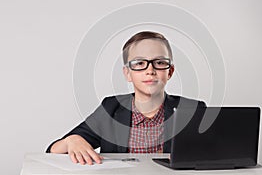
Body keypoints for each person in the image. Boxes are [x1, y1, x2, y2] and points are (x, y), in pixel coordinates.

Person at [46, 31, 206, 165]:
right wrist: (71, 141)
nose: (150, 70)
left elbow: (216, 158)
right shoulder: (111, 108)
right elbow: (52, 151)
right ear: (127, 73)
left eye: (159, 62)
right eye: (139, 63)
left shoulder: (192, 110)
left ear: (169, 72)